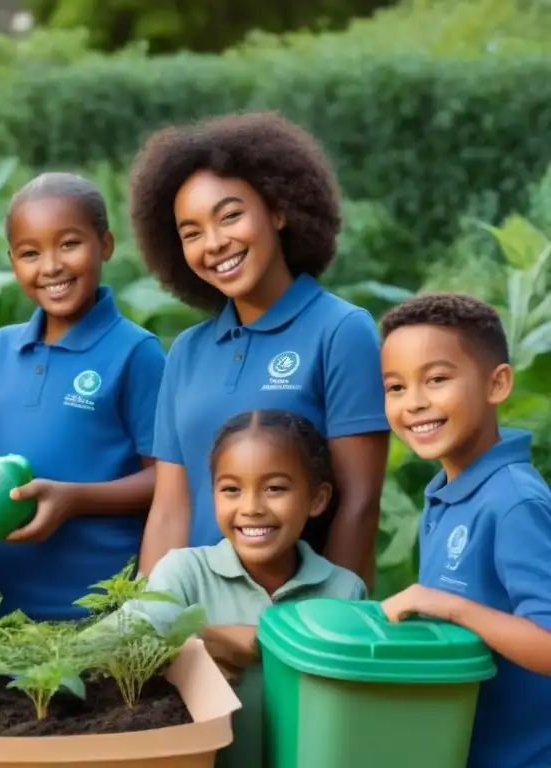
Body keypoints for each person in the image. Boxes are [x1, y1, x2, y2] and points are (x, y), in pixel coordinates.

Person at [129, 111, 389, 586]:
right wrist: (146, 632)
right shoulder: (187, 351)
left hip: (295, 629)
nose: (214, 243)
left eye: (230, 216)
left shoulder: (341, 330)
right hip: (196, 628)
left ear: (278, 210)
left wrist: (320, 635)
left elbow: (359, 505)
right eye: (191, 233)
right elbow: (170, 509)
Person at [0, 172, 166, 621]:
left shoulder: (135, 352)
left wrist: (74, 499)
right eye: (30, 253)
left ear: (104, 245)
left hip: (95, 609)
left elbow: (167, 482)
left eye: (69, 244)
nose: (50, 266)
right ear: (13, 261)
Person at [117, 409, 366, 768]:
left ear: (317, 499)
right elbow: (110, 649)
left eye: (275, 488)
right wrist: (202, 639)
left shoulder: (343, 591)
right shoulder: (184, 572)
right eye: (231, 490)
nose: (251, 508)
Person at [378, 293, 551, 768]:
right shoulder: (446, 493)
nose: (414, 403)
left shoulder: (513, 500)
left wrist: (449, 606)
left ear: (497, 384)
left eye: (436, 379)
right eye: (395, 387)